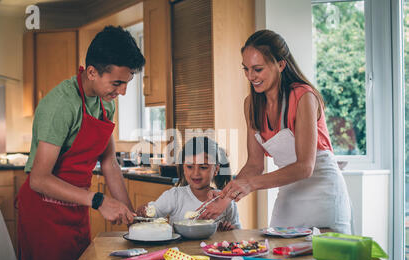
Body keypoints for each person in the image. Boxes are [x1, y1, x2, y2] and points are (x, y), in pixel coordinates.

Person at [17, 26, 145, 260]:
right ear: (92, 73)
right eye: (116, 83)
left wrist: (133, 219)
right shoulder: (61, 106)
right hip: (44, 211)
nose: (122, 92)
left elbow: (109, 163)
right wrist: (98, 201)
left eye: (126, 83)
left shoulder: (104, 102)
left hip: (76, 207)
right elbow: (39, 179)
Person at [199, 29, 351, 234]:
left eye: (258, 69)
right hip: (289, 192)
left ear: (280, 64)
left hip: (323, 191)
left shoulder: (304, 97)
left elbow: (305, 167)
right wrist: (224, 197)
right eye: (246, 69)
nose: (250, 76)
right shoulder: (252, 104)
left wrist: (250, 185)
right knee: (278, 254)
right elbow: (254, 164)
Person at [136, 136, 241, 231]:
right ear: (183, 167)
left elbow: (237, 233)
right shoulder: (174, 196)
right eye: (190, 167)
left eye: (203, 167)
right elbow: (152, 213)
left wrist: (228, 231)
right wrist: (144, 213)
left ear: (216, 169)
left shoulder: (226, 201)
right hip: (179, 252)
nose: (196, 173)